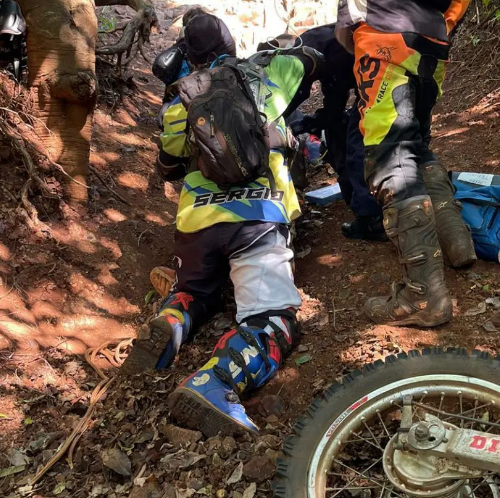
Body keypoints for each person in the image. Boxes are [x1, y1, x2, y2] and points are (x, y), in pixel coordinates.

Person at [122, 17, 324, 437]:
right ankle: (215, 383)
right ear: (232, 44)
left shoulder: (182, 101)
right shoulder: (266, 78)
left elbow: (167, 166)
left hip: (196, 222)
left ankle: (172, 322)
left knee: (195, 290)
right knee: (272, 318)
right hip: (257, 220)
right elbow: (309, 58)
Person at [335, 0, 476, 327]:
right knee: (415, 145)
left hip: (383, 34)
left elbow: (350, 15)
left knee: (390, 156)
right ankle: (456, 241)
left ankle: (424, 296)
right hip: (434, 37)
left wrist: (357, 39)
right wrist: (441, 24)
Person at [260, 25, 386, 241]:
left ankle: (372, 220)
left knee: (357, 143)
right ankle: (355, 196)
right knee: (338, 130)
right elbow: (332, 99)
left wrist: (282, 121)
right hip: (370, 77)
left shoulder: (307, 54)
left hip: (382, 80)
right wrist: (313, 121)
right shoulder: (309, 50)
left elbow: (321, 94)